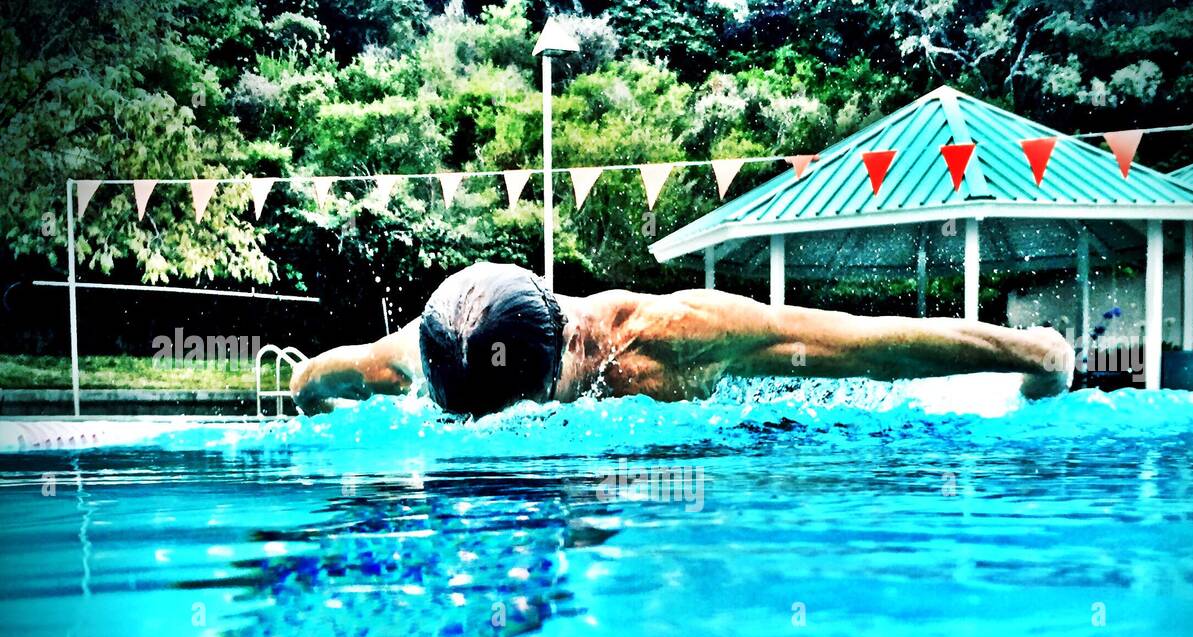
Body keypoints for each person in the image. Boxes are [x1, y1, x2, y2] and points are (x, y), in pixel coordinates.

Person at [289, 261, 1073, 417]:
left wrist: (1034, 355)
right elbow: (310, 384)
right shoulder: (420, 364)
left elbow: (868, 344)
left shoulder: (664, 338)